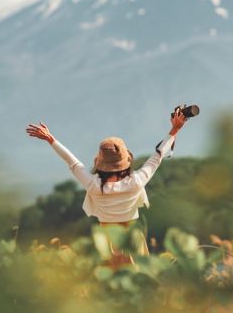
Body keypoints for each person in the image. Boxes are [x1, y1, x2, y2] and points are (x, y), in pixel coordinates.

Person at [26, 107, 188, 267]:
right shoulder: (136, 182)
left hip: (106, 242)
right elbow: (158, 156)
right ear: (125, 159)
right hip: (133, 240)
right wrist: (175, 129)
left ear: (101, 162)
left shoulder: (94, 186)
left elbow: (71, 161)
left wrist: (50, 139)